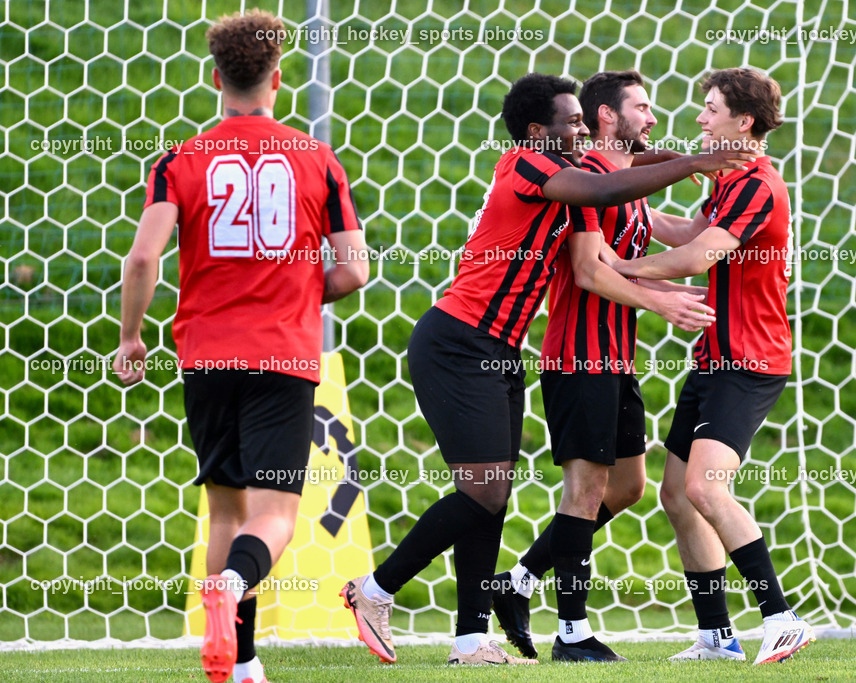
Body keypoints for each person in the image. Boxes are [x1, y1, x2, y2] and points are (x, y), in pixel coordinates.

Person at [342, 72, 753, 666]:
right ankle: (375, 590)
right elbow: (602, 193)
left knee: (492, 495)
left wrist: (701, 163)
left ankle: (470, 640)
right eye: (572, 120)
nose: (583, 127)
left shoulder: (577, 170)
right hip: (459, 340)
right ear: (540, 131)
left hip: (503, 347)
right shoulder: (527, 164)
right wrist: (697, 161)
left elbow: (626, 167)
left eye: (586, 120)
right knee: (484, 491)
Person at [113, 10, 369, 683]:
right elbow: (354, 268)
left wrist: (131, 337)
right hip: (281, 356)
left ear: (217, 77)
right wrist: (292, 294)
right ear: (279, 79)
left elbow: (142, 259)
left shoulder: (181, 159)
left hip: (205, 355)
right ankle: (230, 587)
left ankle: (241, 659)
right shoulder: (316, 158)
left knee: (225, 506)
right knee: (275, 514)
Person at [491, 69, 713, 662]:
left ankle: (516, 582)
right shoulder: (585, 180)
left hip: (616, 358)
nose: (654, 116)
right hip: (577, 355)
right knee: (585, 491)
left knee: (630, 486)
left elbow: (689, 239)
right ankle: (572, 635)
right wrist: (661, 300)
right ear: (608, 117)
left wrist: (736, 187)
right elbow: (591, 269)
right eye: (642, 105)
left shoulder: (627, 185)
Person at [605, 67, 814, 665]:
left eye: (711, 107)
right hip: (717, 358)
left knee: (703, 485)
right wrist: (616, 213)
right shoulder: (729, 181)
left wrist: (612, 268)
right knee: (676, 494)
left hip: (750, 361)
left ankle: (781, 618)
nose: (699, 117)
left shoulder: (757, 184)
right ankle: (717, 637)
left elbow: (698, 256)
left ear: (743, 121)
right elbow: (690, 229)